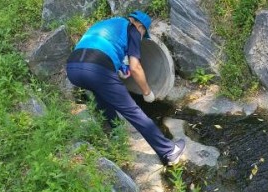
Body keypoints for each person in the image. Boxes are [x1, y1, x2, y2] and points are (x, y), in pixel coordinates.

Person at [66, 11, 185, 166]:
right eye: (144, 33)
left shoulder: (110, 24)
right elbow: (135, 67)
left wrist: (118, 65)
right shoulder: (133, 29)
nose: (142, 37)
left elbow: (102, 47)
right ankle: (169, 151)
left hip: (73, 68)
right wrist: (147, 92)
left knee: (100, 94)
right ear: (140, 26)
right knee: (132, 111)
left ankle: (116, 132)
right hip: (96, 68)